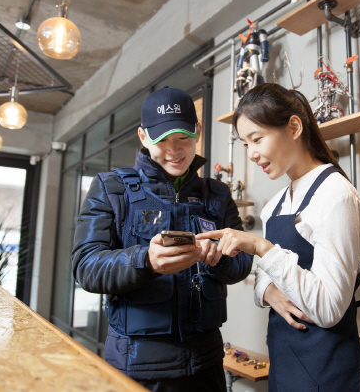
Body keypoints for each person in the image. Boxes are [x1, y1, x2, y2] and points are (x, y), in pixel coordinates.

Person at [72, 86, 253, 392]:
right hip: (137, 368)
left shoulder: (218, 195)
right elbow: (86, 267)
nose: (175, 150)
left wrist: (220, 258)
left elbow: (243, 264)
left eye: (183, 138)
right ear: (143, 137)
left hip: (206, 366)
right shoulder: (111, 188)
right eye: (162, 140)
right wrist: (145, 260)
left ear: (197, 132)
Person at [197, 83, 360, 391]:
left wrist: (260, 247)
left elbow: (330, 309)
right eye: (245, 144)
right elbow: (265, 279)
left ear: (293, 126)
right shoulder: (275, 205)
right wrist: (268, 291)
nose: (251, 154)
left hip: (328, 368)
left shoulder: (336, 196)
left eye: (257, 139)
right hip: (285, 361)